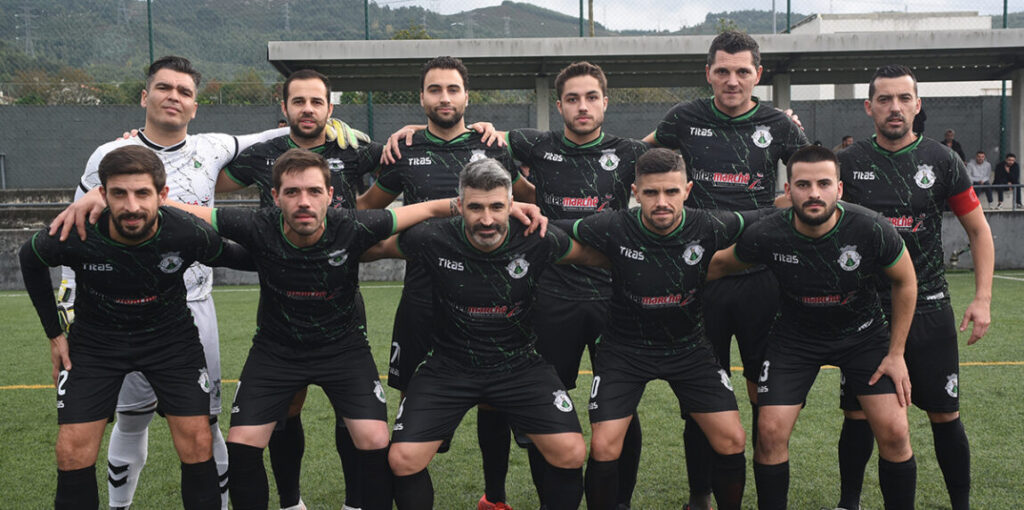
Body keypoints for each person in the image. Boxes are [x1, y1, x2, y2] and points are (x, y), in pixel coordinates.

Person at [173, 149, 522, 510]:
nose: (304, 201)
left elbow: (428, 209)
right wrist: (147, 200)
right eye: (292, 192)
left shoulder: (352, 225)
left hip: (343, 350)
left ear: (329, 195)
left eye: (314, 191)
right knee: (242, 445)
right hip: (276, 351)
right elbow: (193, 213)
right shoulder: (258, 225)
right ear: (275, 197)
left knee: (375, 441)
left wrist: (510, 208)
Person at [48, 55, 287, 510]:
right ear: (145, 96)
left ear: (195, 106)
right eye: (164, 88)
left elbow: (270, 136)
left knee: (203, 425)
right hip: (118, 311)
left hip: (192, 309)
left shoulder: (212, 147)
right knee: (130, 418)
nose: (173, 97)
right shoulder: (107, 155)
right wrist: (69, 309)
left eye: (184, 91)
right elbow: (75, 235)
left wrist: (338, 126)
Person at [363, 158, 604, 510]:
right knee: (403, 459)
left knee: (571, 452)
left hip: (520, 365)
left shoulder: (537, 238)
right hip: (449, 366)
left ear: (511, 205)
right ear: (459, 206)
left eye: (496, 207)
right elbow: (370, 247)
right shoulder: (432, 237)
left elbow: (594, 257)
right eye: (476, 207)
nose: (487, 219)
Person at [20, 146, 251, 510]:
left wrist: (302, 249)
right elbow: (29, 258)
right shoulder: (80, 231)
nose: (132, 206)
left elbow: (242, 256)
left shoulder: (184, 232)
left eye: (143, 193)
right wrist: (54, 334)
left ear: (162, 194)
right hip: (96, 344)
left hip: (170, 342)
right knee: (72, 450)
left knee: (197, 441)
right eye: (119, 194)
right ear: (103, 194)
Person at [641, 30, 809, 510]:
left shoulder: (778, 124)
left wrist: (777, 209)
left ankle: (762, 494)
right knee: (701, 398)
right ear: (708, 73)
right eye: (722, 71)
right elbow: (635, 156)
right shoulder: (683, 118)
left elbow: (815, 180)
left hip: (761, 279)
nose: (732, 80)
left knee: (763, 395)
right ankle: (700, 496)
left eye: (742, 71)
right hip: (700, 279)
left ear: (758, 74)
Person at [712, 145, 920, 509]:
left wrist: (896, 353)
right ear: (788, 190)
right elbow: (720, 265)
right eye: (803, 185)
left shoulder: (870, 228)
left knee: (896, 431)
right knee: (769, 432)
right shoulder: (768, 233)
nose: (814, 193)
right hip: (795, 340)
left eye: (824, 184)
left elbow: (906, 281)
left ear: (839, 189)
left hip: (863, 336)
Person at [358, 56, 522, 510]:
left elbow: (524, 201)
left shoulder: (493, 145)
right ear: (422, 97)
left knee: (493, 401)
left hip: (489, 296)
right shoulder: (404, 149)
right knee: (414, 400)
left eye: (453, 89)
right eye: (435, 89)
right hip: (423, 297)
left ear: (467, 96)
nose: (444, 98)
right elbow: (368, 211)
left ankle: (495, 499)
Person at [219, 68, 382, 510]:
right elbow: (198, 179)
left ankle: (354, 502)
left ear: (330, 108)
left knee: (353, 413)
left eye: (316, 102)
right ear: (284, 106)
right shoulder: (261, 154)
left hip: (341, 297)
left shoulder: (355, 150)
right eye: (298, 101)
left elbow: (410, 158)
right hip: (280, 296)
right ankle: (291, 502)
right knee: (285, 407)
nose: (307, 109)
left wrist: (411, 133)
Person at [834, 64, 994, 510]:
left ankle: (960, 504)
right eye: (885, 99)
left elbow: (979, 231)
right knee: (858, 414)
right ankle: (849, 503)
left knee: (945, 414)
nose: (895, 107)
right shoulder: (847, 162)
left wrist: (982, 299)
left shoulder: (942, 161)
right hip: (867, 313)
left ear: (917, 104)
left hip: (929, 308)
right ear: (868, 107)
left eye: (904, 98)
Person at [498, 61, 649, 510]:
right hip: (550, 295)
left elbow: (679, 154)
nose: (582, 106)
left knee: (620, 411)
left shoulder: (630, 152)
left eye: (591, 98)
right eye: (572, 99)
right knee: (545, 407)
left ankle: (618, 503)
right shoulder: (537, 145)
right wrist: (413, 129)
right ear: (559, 105)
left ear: (606, 102)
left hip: (614, 296)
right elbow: (468, 136)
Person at [573, 148, 750, 510]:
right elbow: (553, 231)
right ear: (635, 193)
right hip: (625, 350)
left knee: (732, 439)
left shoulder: (710, 224)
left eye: (671, 192)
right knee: (604, 445)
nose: (662, 202)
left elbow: (767, 220)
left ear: (687, 190)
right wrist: (520, 210)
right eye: (651, 193)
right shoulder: (613, 225)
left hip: (689, 349)